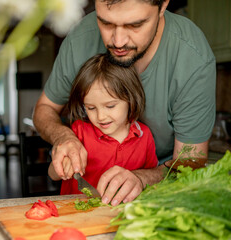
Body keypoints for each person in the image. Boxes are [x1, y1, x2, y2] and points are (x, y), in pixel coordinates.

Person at [33, 0, 216, 206]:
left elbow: (191, 162)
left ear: (163, 6)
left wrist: (142, 178)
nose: (118, 42)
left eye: (135, 25)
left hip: (156, 195)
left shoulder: (192, 56)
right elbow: (44, 109)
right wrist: (63, 137)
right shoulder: (80, 37)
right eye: (105, 22)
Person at [48, 53, 158, 196]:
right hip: (76, 215)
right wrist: (62, 166)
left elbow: (152, 179)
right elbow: (52, 174)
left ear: (131, 99)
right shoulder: (78, 132)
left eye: (110, 106)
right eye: (91, 108)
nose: (100, 117)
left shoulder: (144, 135)